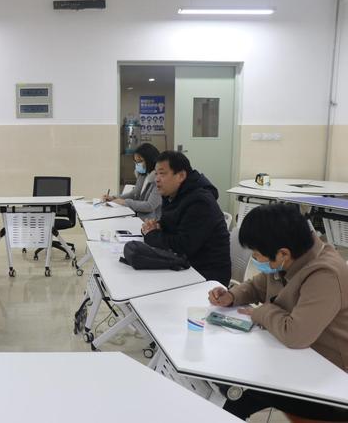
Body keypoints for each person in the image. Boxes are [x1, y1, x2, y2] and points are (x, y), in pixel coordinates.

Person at [208, 203, 348, 421]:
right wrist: (232, 296)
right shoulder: (289, 258)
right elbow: (259, 285)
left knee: (239, 391)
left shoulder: (325, 275)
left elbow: (295, 334)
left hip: (331, 379)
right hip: (293, 358)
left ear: (283, 253)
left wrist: (262, 312)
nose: (256, 260)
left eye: (257, 255)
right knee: (229, 376)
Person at [141, 151, 231, 285]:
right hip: (185, 264)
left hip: (206, 275)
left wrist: (151, 234)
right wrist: (156, 226)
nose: (157, 179)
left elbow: (183, 245)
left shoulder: (200, 202)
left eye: (162, 174)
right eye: (156, 174)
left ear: (181, 176)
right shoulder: (172, 194)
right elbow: (170, 225)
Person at [103, 143, 162, 219]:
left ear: (150, 160)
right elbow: (134, 194)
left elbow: (150, 206)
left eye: (140, 161)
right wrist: (114, 198)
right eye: (136, 162)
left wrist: (125, 202)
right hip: (139, 217)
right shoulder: (143, 175)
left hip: (152, 221)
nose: (137, 164)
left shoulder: (159, 179)